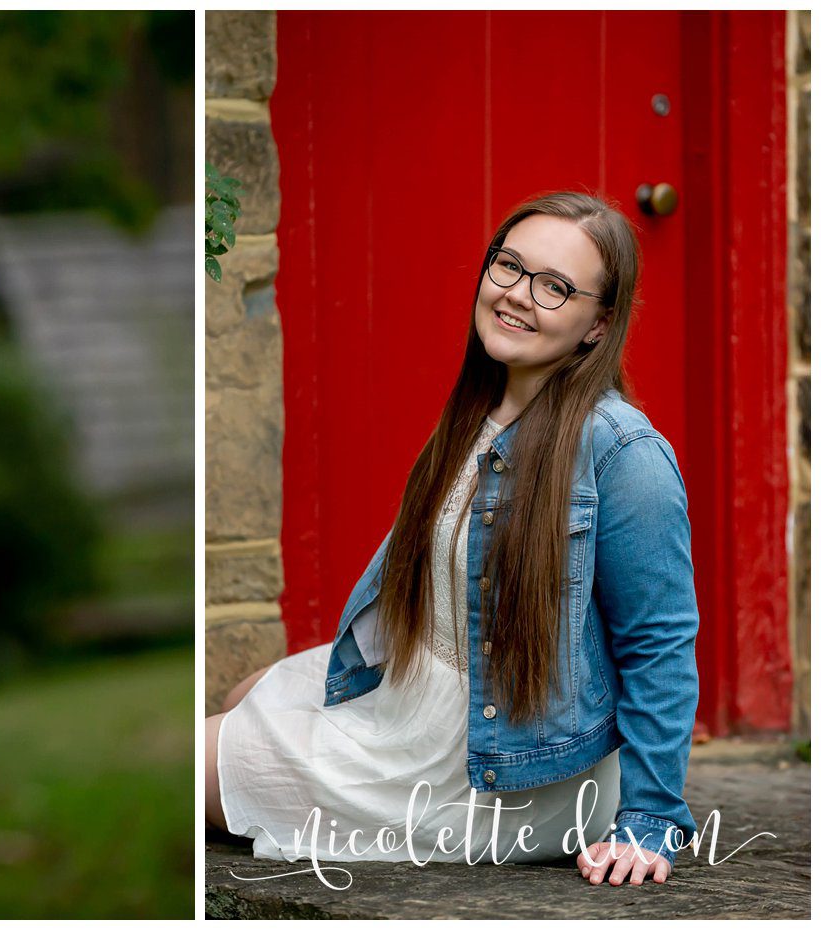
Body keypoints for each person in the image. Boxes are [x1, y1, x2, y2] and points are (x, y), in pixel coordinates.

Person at [205, 191, 700, 888]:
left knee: (191, 764)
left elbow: (661, 643)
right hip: (422, 690)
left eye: (555, 287)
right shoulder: (481, 412)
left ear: (598, 325)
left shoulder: (623, 454)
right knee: (243, 693)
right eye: (509, 267)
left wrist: (651, 822)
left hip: (506, 769)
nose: (519, 296)